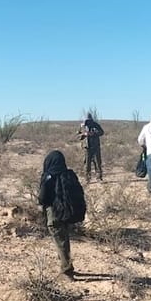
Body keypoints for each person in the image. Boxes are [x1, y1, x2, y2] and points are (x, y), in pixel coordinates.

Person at [38, 150, 76, 281]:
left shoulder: (48, 176)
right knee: (64, 240)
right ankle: (67, 265)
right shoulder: (67, 174)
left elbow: (42, 198)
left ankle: (67, 271)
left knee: (60, 241)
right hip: (66, 213)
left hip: (53, 213)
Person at [78, 113, 105, 181]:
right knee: (87, 163)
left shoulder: (95, 125)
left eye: (89, 120)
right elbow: (78, 136)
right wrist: (84, 134)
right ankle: (87, 178)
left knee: (98, 162)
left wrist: (94, 134)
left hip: (95, 146)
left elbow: (102, 132)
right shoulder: (83, 126)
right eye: (87, 120)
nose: (88, 122)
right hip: (87, 147)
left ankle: (99, 177)